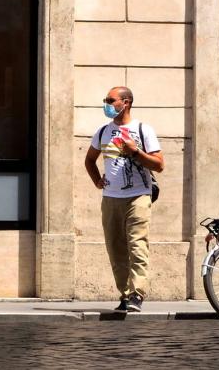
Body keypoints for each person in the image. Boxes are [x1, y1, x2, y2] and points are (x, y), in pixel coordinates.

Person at [83, 86, 164, 313]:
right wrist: (97, 180)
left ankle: (137, 294)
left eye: (110, 100)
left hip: (138, 196)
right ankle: (125, 294)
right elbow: (89, 160)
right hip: (110, 198)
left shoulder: (142, 129)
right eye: (106, 100)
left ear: (125, 102)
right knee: (115, 248)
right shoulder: (102, 132)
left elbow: (160, 164)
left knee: (137, 246)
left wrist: (135, 151)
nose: (106, 104)